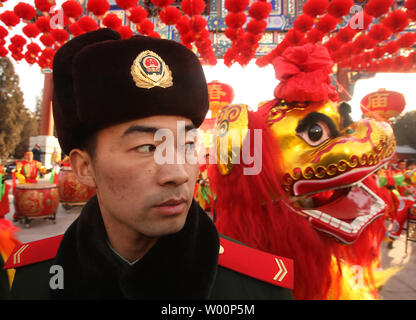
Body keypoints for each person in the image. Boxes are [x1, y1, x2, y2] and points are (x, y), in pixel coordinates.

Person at [5, 29, 293, 300]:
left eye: (188, 145)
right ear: (84, 167)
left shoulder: (257, 289)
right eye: (147, 147)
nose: (178, 173)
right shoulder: (29, 280)